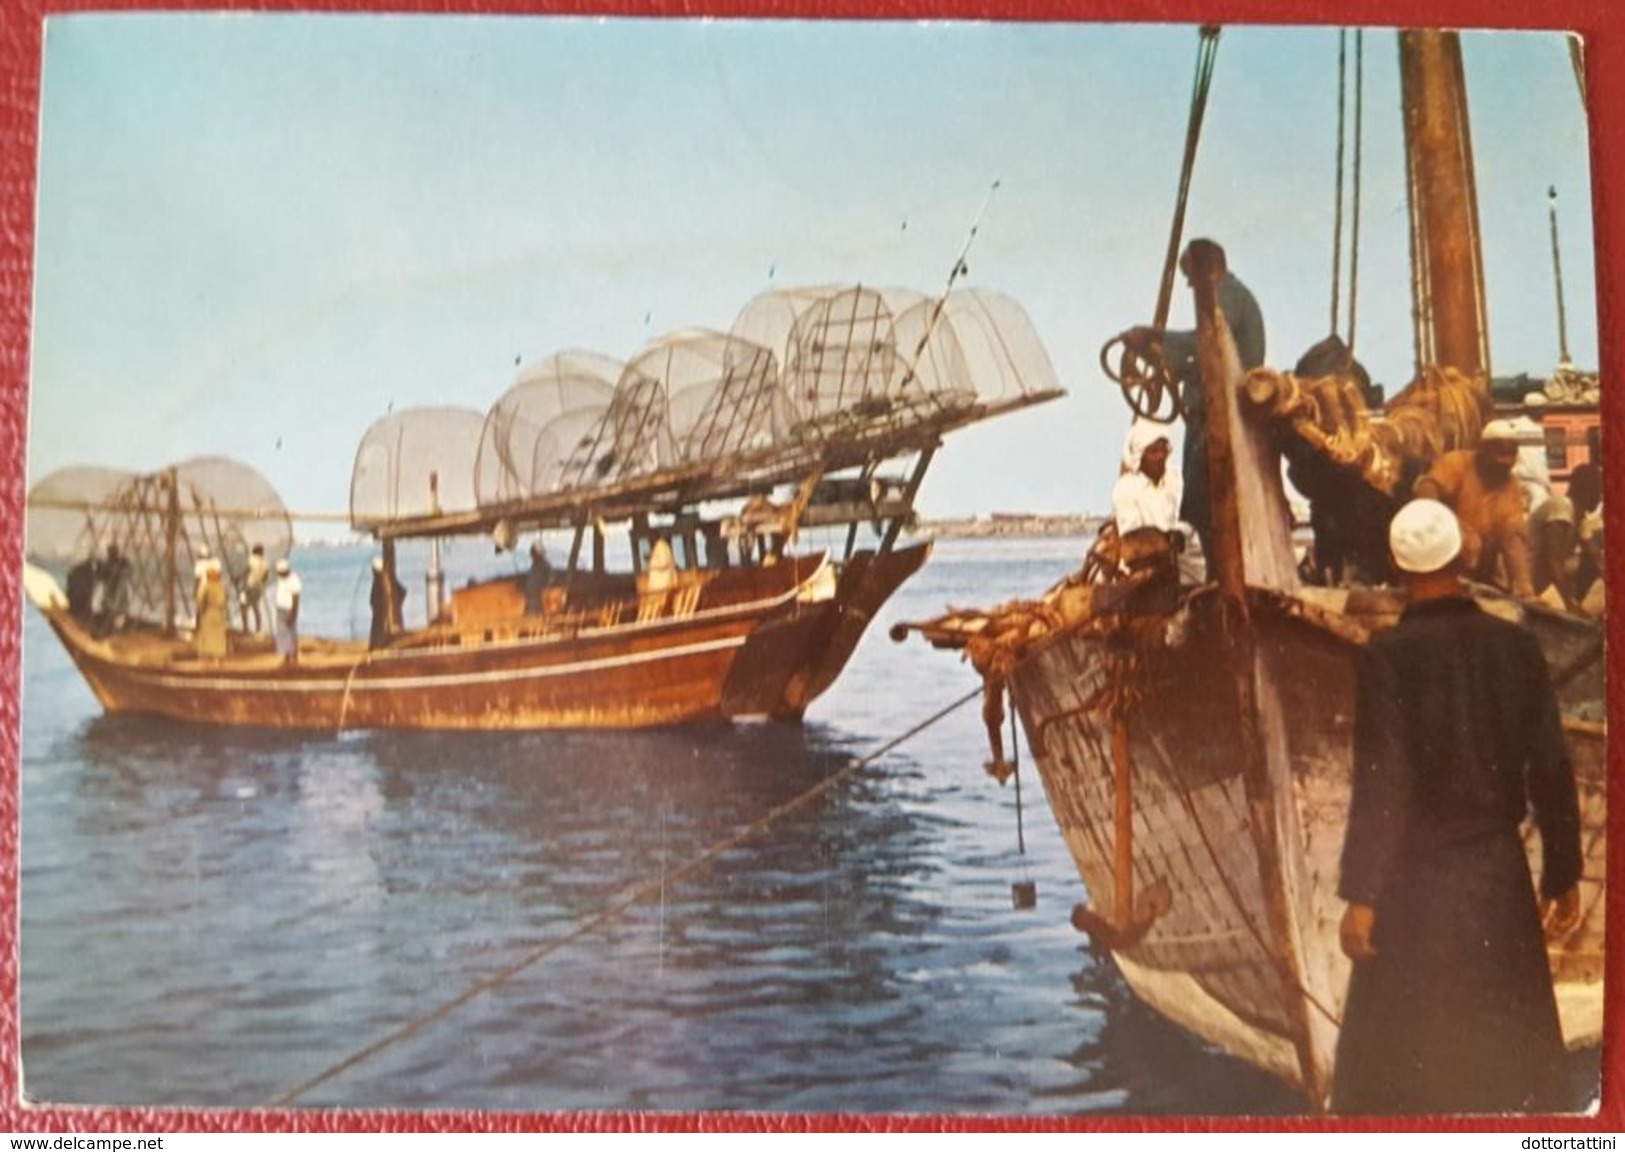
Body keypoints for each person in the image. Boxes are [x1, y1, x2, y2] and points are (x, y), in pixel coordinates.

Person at [1332, 499, 1582, 1114]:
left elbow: (1381, 784)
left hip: (1413, 892)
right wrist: (1563, 876)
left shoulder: (1386, 657)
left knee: (1399, 1084)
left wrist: (1361, 897)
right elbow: (1551, 765)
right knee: (1514, 1077)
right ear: (1464, 555)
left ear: (1396, 565)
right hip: (1498, 882)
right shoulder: (1515, 645)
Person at [1122, 239, 1266, 572]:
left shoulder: (1228, 297)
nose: (1188, 285)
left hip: (1224, 417)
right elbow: (1203, 357)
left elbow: (1209, 341)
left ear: (1209, 270)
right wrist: (1163, 358)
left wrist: (1153, 337)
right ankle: (1219, 577)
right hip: (1205, 417)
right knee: (1201, 506)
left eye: (1191, 277)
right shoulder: (1225, 298)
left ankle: (1223, 579)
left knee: (1206, 502)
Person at [1413, 420, 1533, 597]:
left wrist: (1524, 586)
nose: (1503, 465)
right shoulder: (1457, 463)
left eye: (1509, 460)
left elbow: (1512, 536)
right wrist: (1454, 527)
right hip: (1441, 561)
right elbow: (1425, 489)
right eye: (1498, 458)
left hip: (1480, 570)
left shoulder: (1510, 485)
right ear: (1483, 450)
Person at [1528, 462, 1601, 610]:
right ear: (1585, 489)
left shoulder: (1579, 517)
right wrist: (1571, 604)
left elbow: (1597, 558)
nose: (1599, 497)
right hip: (1525, 586)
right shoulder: (1561, 506)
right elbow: (1554, 562)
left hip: (1542, 588)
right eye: (1597, 491)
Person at [1511, 391, 1553, 513]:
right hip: (1530, 479)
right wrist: (1546, 484)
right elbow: (1535, 463)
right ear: (1535, 410)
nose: (1545, 413)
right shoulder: (1532, 430)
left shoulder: (1514, 424)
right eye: (1543, 409)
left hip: (1512, 479)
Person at [368, 555, 407, 649]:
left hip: (383, 613)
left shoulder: (382, 580)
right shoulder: (383, 580)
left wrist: (394, 605)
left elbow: (402, 591)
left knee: (380, 631)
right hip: (382, 612)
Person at [195, 562, 229, 660]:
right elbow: (226, 599)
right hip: (219, 613)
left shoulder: (205, 586)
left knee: (206, 635)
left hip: (208, 612)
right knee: (219, 636)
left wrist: (201, 610)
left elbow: (200, 600)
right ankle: (218, 658)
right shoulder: (222, 586)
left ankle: (205, 658)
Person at [95, 544, 130, 635]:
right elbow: (100, 577)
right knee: (109, 609)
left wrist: (114, 571)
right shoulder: (106, 563)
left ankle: (115, 630)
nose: (111, 554)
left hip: (118, 590)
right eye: (110, 552)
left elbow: (126, 573)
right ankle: (109, 629)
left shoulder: (122, 563)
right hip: (110, 590)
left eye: (113, 552)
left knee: (118, 610)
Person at [274, 557, 302, 664]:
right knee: (282, 633)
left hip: (289, 609)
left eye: (281, 573)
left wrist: (293, 613)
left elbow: (296, 598)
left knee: (291, 633)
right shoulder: (281, 578)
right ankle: (286, 656)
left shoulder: (294, 580)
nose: (280, 575)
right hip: (280, 608)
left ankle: (293, 656)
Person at [243, 544, 270, 633]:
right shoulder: (265, 562)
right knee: (256, 607)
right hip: (259, 587)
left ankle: (245, 628)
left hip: (250, 585)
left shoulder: (251, 559)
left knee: (244, 606)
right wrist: (261, 581)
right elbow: (266, 576)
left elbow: (247, 571)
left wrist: (241, 580)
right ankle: (258, 628)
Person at [522, 540, 553, 615]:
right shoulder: (534, 565)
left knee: (537, 613)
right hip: (530, 595)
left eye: (534, 553)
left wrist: (544, 590)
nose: (532, 556)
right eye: (532, 553)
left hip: (539, 596)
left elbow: (551, 578)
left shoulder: (545, 565)